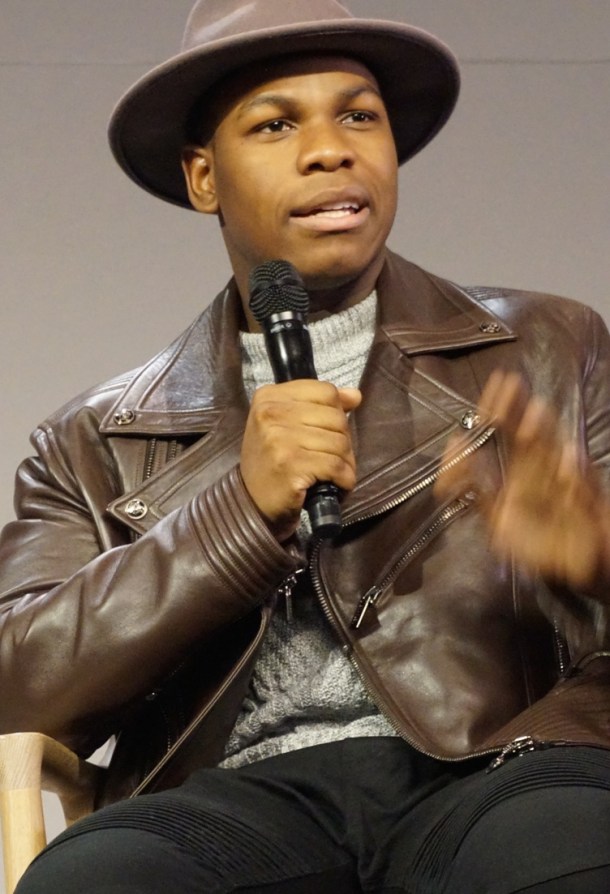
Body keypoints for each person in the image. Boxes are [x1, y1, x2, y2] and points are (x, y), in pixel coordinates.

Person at [2, 1, 609, 891]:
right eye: (277, 123)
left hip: (500, 771)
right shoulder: (91, 439)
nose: (331, 148)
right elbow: (20, 687)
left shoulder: (556, 346)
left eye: (359, 114)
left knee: (569, 849)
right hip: (238, 799)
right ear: (204, 177)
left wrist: (596, 555)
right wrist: (234, 516)